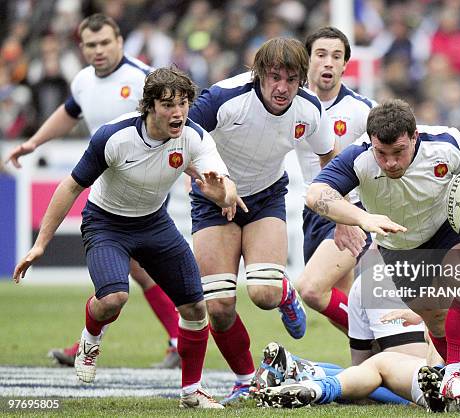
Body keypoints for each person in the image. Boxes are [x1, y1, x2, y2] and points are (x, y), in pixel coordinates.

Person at [12, 67, 240, 409]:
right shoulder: (114, 136)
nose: (178, 112)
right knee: (113, 299)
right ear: (149, 106)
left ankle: (191, 393)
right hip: (106, 224)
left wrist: (222, 194)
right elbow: (71, 186)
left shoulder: (194, 137)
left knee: (195, 307)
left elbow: (226, 187)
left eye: (184, 104)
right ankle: (90, 338)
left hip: (154, 224)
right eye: (168, 105)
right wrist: (41, 243)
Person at [4, 13, 181, 369]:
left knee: (130, 264)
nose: (98, 51)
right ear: (82, 47)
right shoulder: (84, 80)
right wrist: (34, 142)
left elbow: (179, 116)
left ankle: (94, 343)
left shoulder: (142, 78)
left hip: (144, 184)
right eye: (91, 45)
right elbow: (70, 112)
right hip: (109, 184)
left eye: (105, 43)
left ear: (119, 40)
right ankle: (173, 339)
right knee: (133, 268)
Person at [305, 99, 460, 406]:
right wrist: (361, 217)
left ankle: (454, 373)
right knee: (435, 318)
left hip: (446, 228)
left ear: (414, 136)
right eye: (382, 153)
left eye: (398, 152)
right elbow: (315, 194)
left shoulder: (445, 142)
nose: (390, 163)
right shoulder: (359, 156)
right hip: (398, 245)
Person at [187, 37, 337, 403]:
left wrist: (342, 211)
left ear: (302, 78)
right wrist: (218, 184)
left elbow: (330, 159)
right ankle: (243, 380)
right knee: (219, 307)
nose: (282, 88)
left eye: (292, 79)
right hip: (213, 200)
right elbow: (178, 144)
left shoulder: (310, 109)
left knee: (264, 294)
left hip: (266, 197)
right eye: (274, 77)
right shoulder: (223, 98)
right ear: (258, 75)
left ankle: (285, 293)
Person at [257, 245, 460, 411]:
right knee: (380, 366)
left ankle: (459, 372)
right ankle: (314, 384)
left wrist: (420, 309)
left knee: (452, 304)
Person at [294, 26, 375, 333]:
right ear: (308, 61)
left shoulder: (361, 110)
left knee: (312, 290)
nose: (328, 62)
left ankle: (390, 349)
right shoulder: (292, 105)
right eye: (321, 54)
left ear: (344, 66)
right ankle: (379, 361)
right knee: (340, 303)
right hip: (313, 213)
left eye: (337, 56)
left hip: (351, 212)